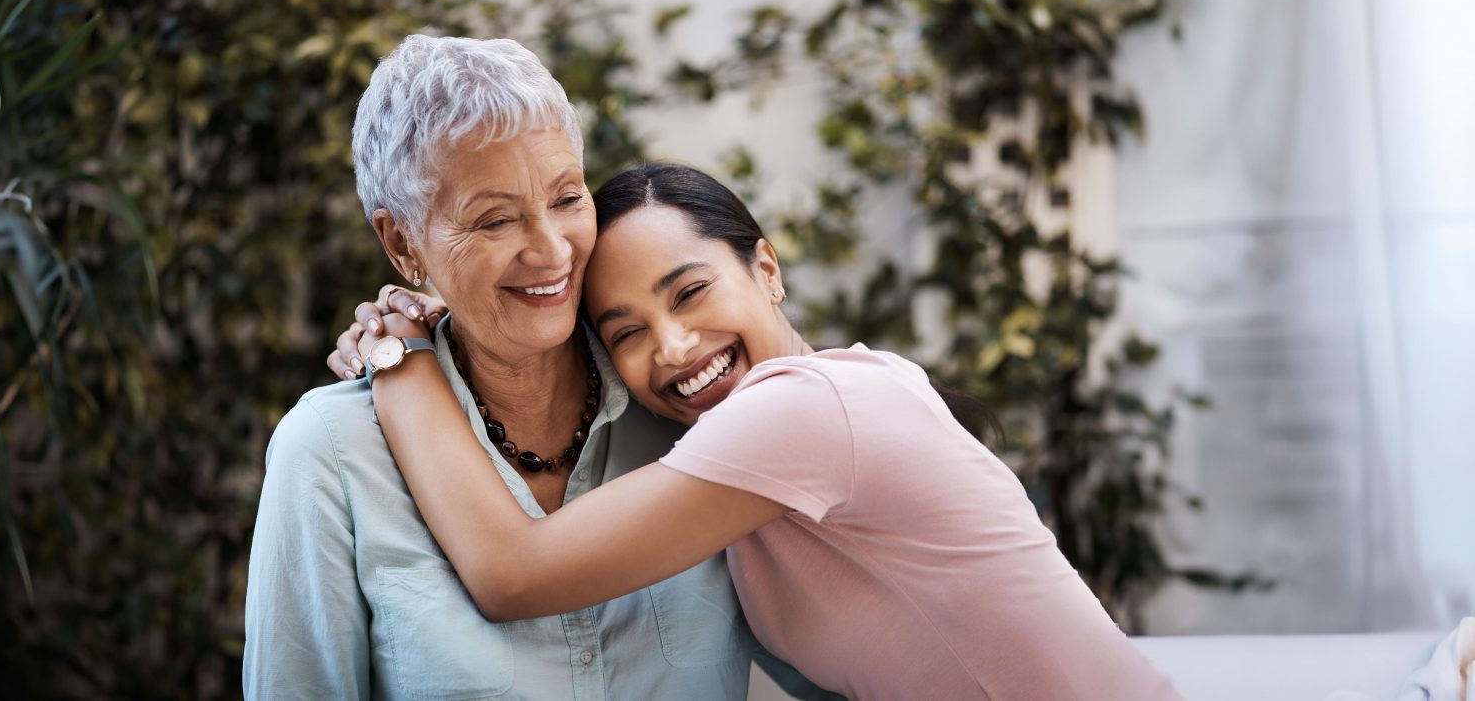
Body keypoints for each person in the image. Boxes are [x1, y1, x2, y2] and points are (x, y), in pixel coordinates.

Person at [340, 163, 1185, 700]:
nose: (672, 347)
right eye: (626, 332)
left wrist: (403, 354)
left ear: (766, 268)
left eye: (689, 291)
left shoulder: (807, 410)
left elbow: (512, 574)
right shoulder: (727, 476)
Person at [244, 37, 773, 700]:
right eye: (495, 219)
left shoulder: (680, 398)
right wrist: (398, 351)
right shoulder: (330, 452)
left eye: (566, 198)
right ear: (402, 242)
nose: (551, 250)